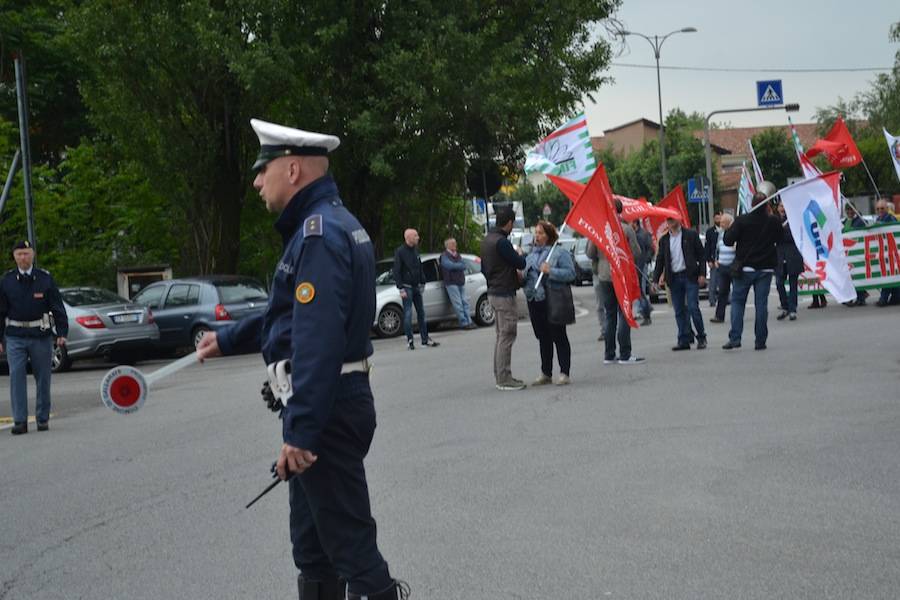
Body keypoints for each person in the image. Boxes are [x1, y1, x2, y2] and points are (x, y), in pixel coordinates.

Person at [195, 119, 406, 600]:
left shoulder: (318, 234)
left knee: (351, 548)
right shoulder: (330, 226)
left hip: (325, 409)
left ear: (292, 169)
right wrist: (224, 340)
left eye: (262, 169)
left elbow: (317, 338)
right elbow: (287, 317)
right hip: (325, 404)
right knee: (313, 549)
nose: (255, 181)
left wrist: (303, 431)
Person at [0, 241, 68, 435]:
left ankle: (42, 418)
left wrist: (62, 333)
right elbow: (0, 311)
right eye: (19, 254)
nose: (23, 257)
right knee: (16, 378)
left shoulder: (45, 279)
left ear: (33, 255)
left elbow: (57, 307)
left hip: (40, 335)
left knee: (43, 378)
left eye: (26, 253)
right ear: (14, 256)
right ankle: (20, 421)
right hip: (15, 336)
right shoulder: (6, 281)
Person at [722, 188, 784, 351]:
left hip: (745, 268)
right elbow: (780, 238)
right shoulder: (773, 221)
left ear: (751, 204)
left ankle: (735, 338)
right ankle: (760, 341)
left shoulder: (742, 220)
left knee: (737, 303)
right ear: (766, 206)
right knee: (761, 305)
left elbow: (728, 241)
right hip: (765, 269)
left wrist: (730, 227)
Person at [522, 221, 576, 385]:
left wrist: (551, 271)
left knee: (558, 335)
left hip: (551, 299)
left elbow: (571, 274)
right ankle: (546, 372)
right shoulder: (530, 254)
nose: (537, 236)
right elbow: (526, 276)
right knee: (543, 337)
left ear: (549, 236)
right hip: (534, 299)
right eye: (536, 233)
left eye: (541, 233)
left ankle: (564, 372)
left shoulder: (558, 253)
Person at [480, 205, 527, 391]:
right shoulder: (502, 242)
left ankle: (499, 374)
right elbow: (520, 263)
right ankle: (504, 378)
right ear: (509, 223)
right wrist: (520, 254)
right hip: (504, 292)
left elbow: (483, 268)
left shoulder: (487, 240)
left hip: (493, 290)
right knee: (507, 335)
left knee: (500, 335)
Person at [596, 200, 645, 364]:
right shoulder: (626, 228)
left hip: (604, 276)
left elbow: (589, 252)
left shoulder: (600, 228)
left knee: (610, 315)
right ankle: (625, 353)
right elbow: (637, 252)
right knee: (624, 313)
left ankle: (609, 354)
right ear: (620, 211)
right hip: (621, 274)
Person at [653, 217, 707, 351]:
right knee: (679, 311)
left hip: (689, 276)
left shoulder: (690, 235)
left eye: (672, 219)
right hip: (674, 278)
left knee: (693, 307)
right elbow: (660, 260)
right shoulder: (664, 240)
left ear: (679, 219)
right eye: (668, 220)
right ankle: (684, 339)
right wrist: (655, 279)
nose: (670, 222)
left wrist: (702, 274)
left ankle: (701, 337)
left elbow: (701, 255)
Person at [393, 228, 439, 350]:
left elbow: (419, 266)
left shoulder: (415, 250)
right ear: (408, 237)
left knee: (421, 313)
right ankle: (410, 340)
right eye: (416, 236)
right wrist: (400, 287)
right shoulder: (400, 252)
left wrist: (422, 281)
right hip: (407, 287)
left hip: (417, 286)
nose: (418, 238)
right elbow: (396, 270)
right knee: (408, 313)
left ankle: (425, 339)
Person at [774, 202, 803, 321]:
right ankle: (785, 306)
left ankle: (792, 309)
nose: (783, 208)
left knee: (793, 285)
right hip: (780, 257)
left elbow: (794, 236)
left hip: (792, 256)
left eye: (785, 206)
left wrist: (781, 232)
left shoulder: (794, 220)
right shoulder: (775, 221)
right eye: (781, 206)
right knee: (779, 283)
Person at [439, 237, 475, 329]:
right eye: (453, 243)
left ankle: (469, 321)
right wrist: (458, 266)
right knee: (458, 303)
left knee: (465, 302)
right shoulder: (444, 256)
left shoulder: (457, 255)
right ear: (448, 245)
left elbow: (464, 265)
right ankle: (464, 323)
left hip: (460, 281)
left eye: (455, 243)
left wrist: (456, 266)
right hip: (451, 283)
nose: (455, 245)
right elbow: (449, 266)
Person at [709, 213, 735, 324]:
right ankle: (719, 315)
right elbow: (717, 249)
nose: (721, 224)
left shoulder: (734, 233)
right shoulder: (720, 234)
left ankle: (736, 314)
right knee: (722, 292)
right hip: (722, 266)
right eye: (721, 222)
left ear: (729, 223)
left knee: (737, 292)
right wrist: (716, 259)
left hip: (733, 266)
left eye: (723, 222)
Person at [875, 199, 900, 307]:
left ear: (887, 209)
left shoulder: (891, 219)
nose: (880, 210)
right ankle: (896, 297)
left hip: (891, 252)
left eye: (882, 208)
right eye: (878, 209)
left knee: (889, 274)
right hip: (883, 252)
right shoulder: (877, 219)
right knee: (890, 273)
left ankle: (884, 298)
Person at [844, 205, 869, 306]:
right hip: (849, 253)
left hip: (858, 251)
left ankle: (861, 297)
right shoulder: (846, 221)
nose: (850, 211)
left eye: (851, 209)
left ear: (855, 210)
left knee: (857, 274)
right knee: (851, 275)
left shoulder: (860, 220)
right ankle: (859, 295)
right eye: (848, 210)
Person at [632, 219, 654, 326]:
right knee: (640, 291)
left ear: (635, 223)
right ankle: (647, 308)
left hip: (639, 266)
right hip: (639, 265)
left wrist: (645, 261)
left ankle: (646, 312)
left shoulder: (641, 236)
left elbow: (643, 252)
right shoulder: (639, 234)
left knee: (640, 291)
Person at [705, 211, 723, 307]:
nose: (718, 220)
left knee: (724, 281)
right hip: (713, 259)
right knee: (713, 281)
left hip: (724, 260)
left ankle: (726, 298)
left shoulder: (725, 230)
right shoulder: (710, 232)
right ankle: (712, 300)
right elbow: (707, 247)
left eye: (719, 218)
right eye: (716, 219)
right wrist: (709, 260)